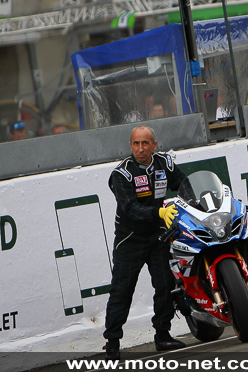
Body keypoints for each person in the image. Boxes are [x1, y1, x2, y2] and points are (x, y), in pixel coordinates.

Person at [103, 125, 194, 359]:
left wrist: (190, 203)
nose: (140, 149)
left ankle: (162, 336)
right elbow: (129, 208)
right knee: (122, 291)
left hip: (158, 236)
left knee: (165, 285)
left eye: (145, 143)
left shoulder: (164, 162)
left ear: (154, 145)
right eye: (136, 143)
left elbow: (182, 181)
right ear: (130, 145)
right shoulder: (122, 174)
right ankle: (112, 344)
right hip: (130, 239)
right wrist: (159, 213)